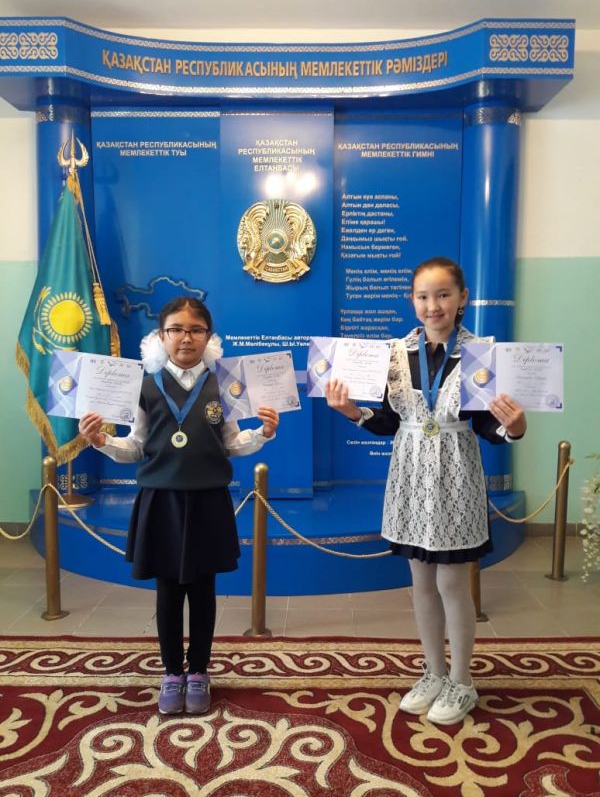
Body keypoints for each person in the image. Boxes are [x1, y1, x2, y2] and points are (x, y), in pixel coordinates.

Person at [325, 257, 526, 725]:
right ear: (412, 300)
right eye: (422, 296)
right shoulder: (396, 353)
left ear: (462, 299)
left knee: (452, 583)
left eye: (442, 295)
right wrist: (352, 411)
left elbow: (487, 425)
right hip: (411, 473)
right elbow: (389, 421)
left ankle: (461, 680)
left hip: (455, 473)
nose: (432, 305)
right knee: (420, 582)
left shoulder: (481, 355)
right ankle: (433, 672)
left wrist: (514, 428)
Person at [79, 297, 279, 716]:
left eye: (195, 330)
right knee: (168, 592)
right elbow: (135, 447)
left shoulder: (222, 384)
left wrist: (262, 433)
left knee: (204, 591)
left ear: (209, 337)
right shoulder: (145, 386)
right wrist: (102, 441)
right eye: (176, 329)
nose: (186, 338)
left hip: (208, 501)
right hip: (161, 502)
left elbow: (231, 442)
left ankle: (199, 670)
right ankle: (172, 672)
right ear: (161, 335)